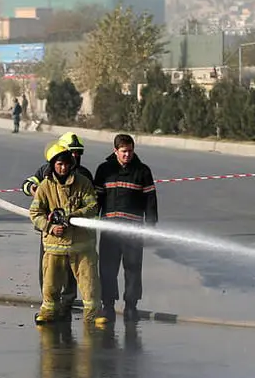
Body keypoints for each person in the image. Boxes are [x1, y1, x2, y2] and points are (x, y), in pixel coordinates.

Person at [29, 142, 103, 326]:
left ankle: (94, 315)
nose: (63, 168)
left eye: (66, 164)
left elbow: (93, 206)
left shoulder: (83, 183)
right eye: (59, 164)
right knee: (51, 283)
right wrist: (51, 227)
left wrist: (73, 216)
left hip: (82, 243)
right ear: (53, 165)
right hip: (55, 244)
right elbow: (35, 213)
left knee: (89, 281)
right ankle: (48, 312)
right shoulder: (45, 187)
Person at [23, 133, 93, 307]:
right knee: (49, 270)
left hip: (76, 234)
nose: (75, 156)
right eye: (72, 151)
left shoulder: (83, 176)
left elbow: (93, 204)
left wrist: (77, 218)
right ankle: (48, 302)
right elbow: (27, 185)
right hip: (52, 233)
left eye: (78, 153)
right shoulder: (46, 172)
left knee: (74, 272)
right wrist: (33, 189)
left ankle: (68, 302)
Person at [94, 134, 158, 321]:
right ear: (115, 151)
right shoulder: (104, 170)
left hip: (133, 231)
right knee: (107, 268)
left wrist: (151, 227)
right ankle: (108, 305)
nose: (127, 155)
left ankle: (131, 306)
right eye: (123, 152)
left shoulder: (143, 171)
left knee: (133, 268)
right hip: (110, 230)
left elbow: (151, 201)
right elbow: (96, 200)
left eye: (130, 151)